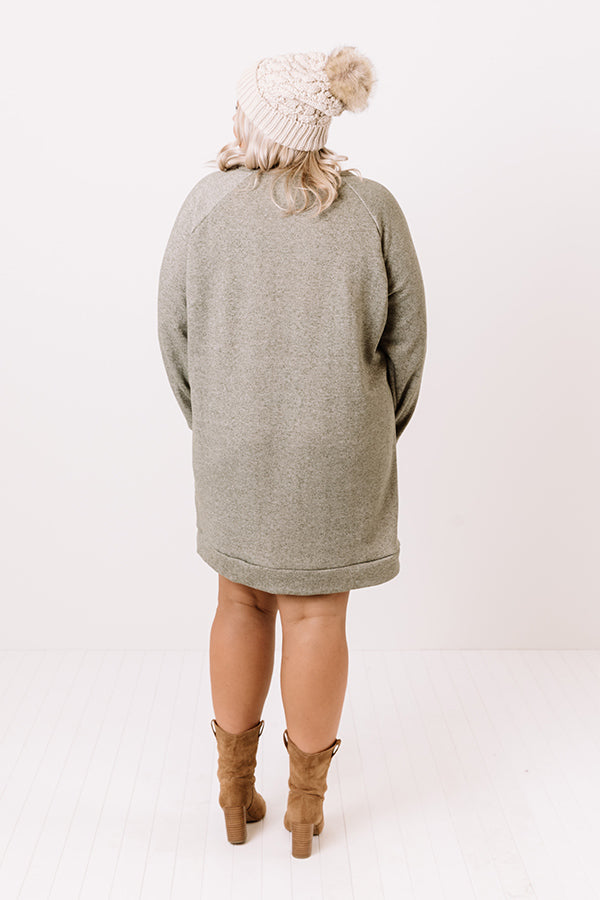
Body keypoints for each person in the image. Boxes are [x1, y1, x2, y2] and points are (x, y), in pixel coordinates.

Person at [157, 45, 427, 859]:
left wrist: (217, 421)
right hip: (340, 445)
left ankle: (233, 792)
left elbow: (174, 337)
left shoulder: (207, 205)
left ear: (262, 122)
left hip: (233, 443)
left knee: (238, 601)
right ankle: (306, 811)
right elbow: (407, 345)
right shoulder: (372, 210)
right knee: (317, 612)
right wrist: (369, 433)